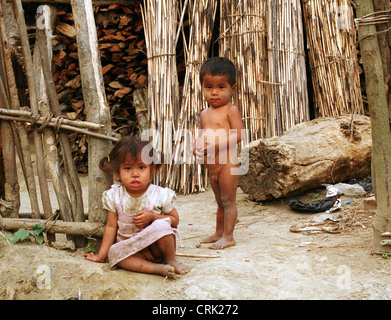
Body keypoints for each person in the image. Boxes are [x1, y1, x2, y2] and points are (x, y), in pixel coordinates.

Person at [84, 136, 191, 279]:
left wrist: (153, 217)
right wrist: (101, 256)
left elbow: (174, 220)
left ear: (152, 170)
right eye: (127, 168)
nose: (135, 174)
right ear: (117, 172)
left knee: (162, 224)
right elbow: (110, 227)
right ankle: (157, 269)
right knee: (114, 253)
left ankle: (171, 260)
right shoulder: (114, 196)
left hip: (156, 248)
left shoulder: (160, 194)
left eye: (141, 167)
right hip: (132, 251)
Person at [194, 57, 244, 250]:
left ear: (232, 89)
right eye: (208, 87)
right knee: (218, 201)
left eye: (221, 87)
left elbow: (238, 134)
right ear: (202, 88)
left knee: (228, 200)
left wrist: (215, 146)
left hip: (227, 165)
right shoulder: (204, 114)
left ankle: (229, 236)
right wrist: (196, 147)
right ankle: (218, 232)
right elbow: (200, 135)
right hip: (212, 168)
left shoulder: (231, 110)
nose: (214, 92)